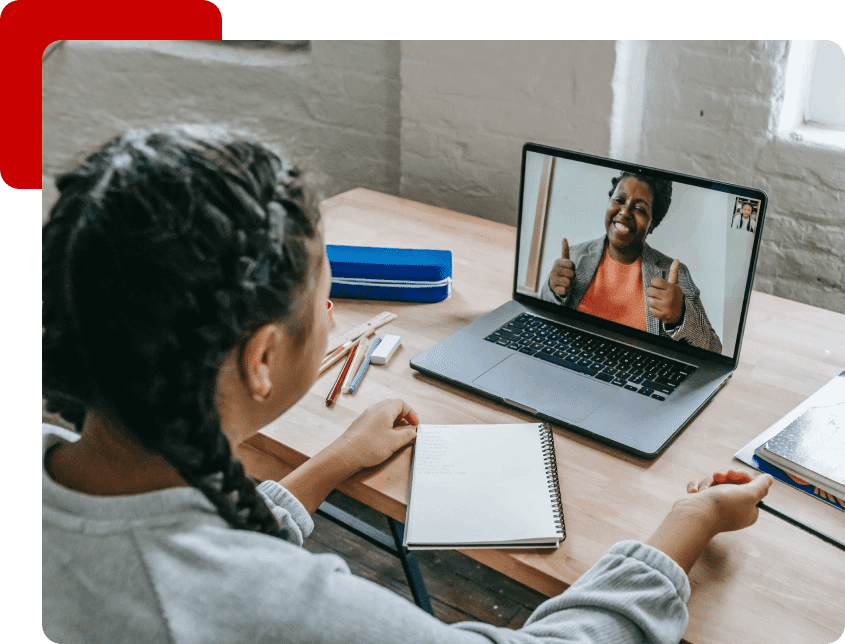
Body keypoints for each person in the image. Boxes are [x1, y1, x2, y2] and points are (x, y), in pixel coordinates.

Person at [42, 127, 772, 644]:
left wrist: (328, 464)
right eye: (323, 289)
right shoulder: (279, 607)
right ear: (261, 358)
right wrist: (687, 525)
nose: (331, 309)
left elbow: (185, 536)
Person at [540, 171, 722, 353]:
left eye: (640, 209)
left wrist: (681, 316)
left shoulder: (673, 274)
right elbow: (542, 323)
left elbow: (714, 349)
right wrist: (551, 290)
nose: (625, 212)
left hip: (637, 376)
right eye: (619, 200)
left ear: (652, 223)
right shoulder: (574, 256)